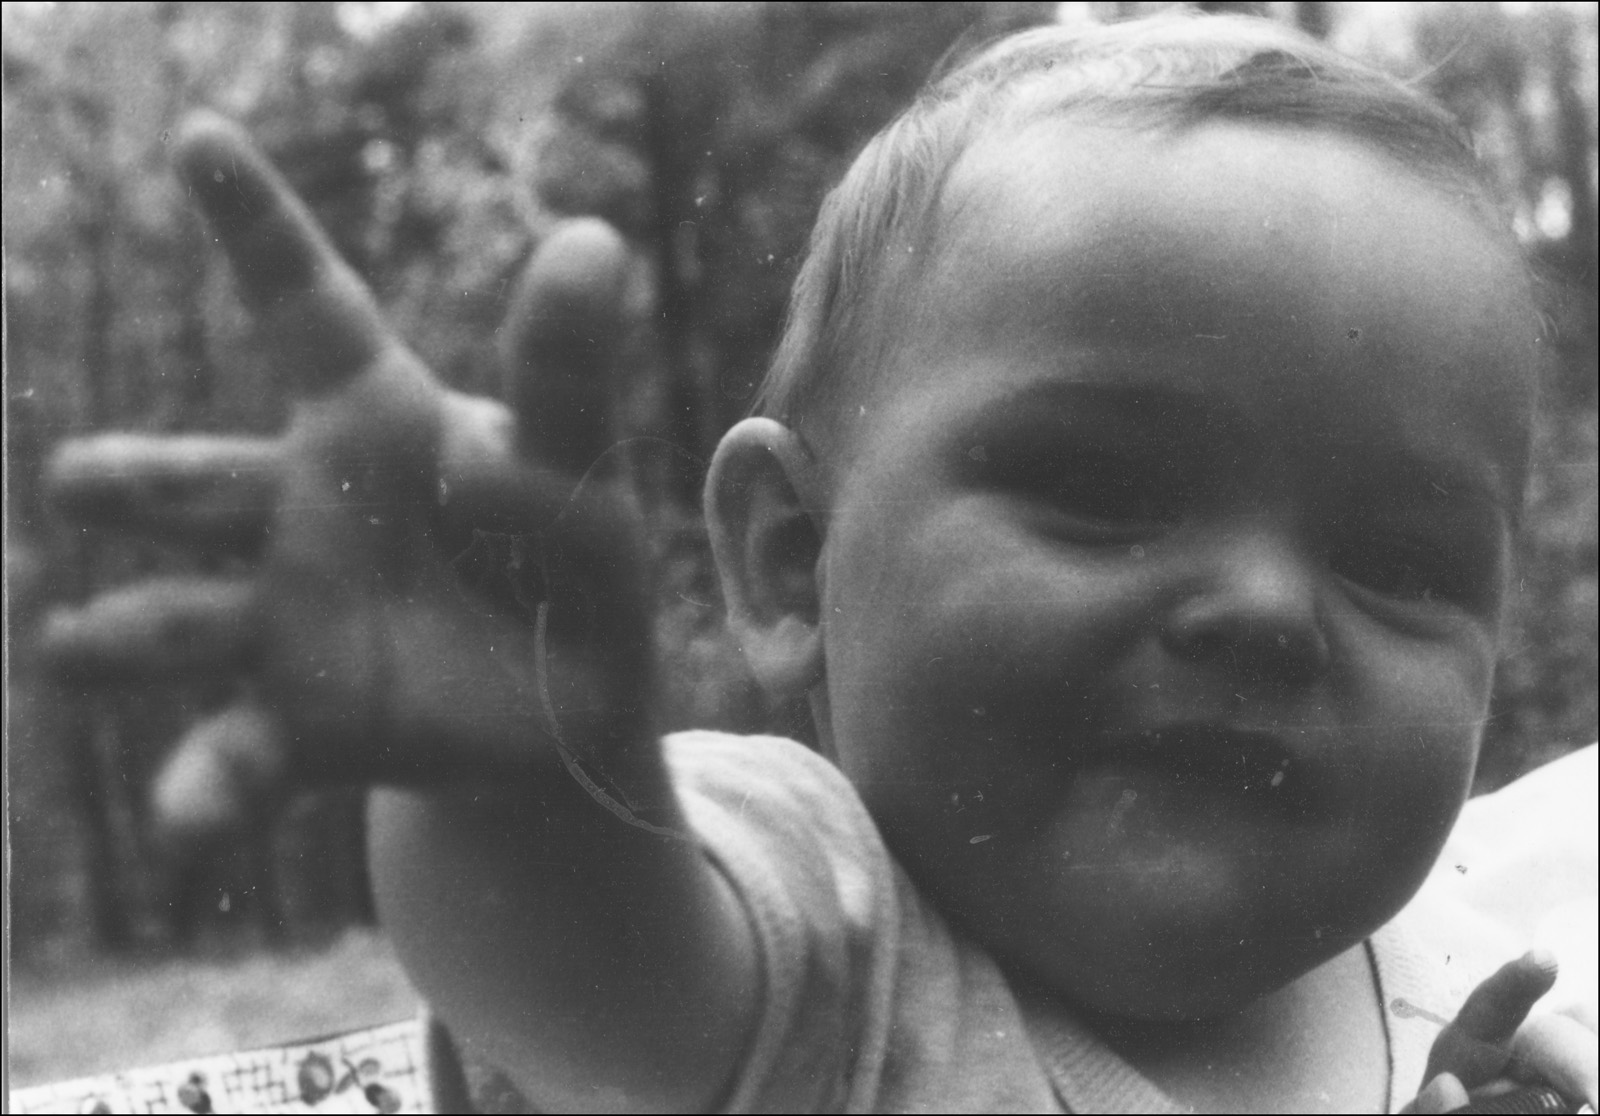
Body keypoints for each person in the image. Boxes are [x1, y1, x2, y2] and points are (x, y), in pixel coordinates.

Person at [39, 13, 1599, 1114]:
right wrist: (511, 787)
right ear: (792, 558)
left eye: (1398, 560)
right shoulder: (823, 938)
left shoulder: (1458, 965)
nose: (1264, 608)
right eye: (1103, 492)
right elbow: (588, 974)